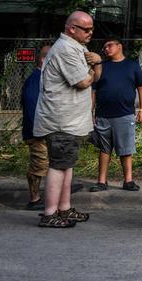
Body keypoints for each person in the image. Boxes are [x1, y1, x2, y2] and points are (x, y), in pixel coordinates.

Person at [34, 11, 102, 228]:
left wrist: (96, 65)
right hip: (62, 120)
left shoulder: (77, 48)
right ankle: (50, 212)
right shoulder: (65, 49)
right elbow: (83, 82)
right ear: (71, 28)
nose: (91, 33)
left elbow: (93, 79)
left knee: (66, 165)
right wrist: (96, 66)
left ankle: (64, 208)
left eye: (92, 29)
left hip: (71, 120)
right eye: (86, 29)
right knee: (58, 165)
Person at [89, 38, 142, 192]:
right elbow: (93, 90)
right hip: (103, 115)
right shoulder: (101, 67)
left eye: (109, 45)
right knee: (104, 149)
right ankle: (101, 181)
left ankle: (128, 181)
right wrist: (91, 112)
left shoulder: (132, 65)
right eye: (104, 46)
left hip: (125, 114)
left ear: (119, 46)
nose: (106, 48)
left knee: (126, 149)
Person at [20, 44, 50, 210]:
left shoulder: (44, 78)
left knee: (46, 164)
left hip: (44, 129)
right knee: (39, 164)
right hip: (37, 131)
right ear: (44, 59)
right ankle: (34, 198)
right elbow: (31, 106)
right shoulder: (36, 79)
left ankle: (43, 197)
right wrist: (38, 130)